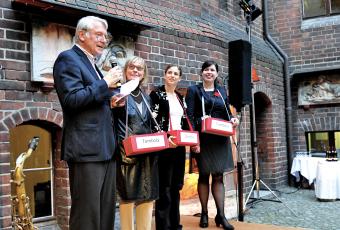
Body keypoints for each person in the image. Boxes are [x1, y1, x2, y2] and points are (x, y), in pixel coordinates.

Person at [53, 16, 123, 230]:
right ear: (82, 35)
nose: (104, 40)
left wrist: (110, 102)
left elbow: (90, 100)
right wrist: (105, 83)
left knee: (105, 215)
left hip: (105, 148)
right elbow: (72, 100)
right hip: (86, 150)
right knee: (87, 218)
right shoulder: (68, 59)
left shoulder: (92, 63)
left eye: (105, 36)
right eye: (98, 35)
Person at [185, 60, 239, 230]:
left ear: (216, 74)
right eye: (206, 69)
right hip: (203, 139)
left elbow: (226, 113)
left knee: (218, 176)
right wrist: (195, 140)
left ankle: (221, 215)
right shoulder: (194, 90)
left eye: (212, 70)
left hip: (220, 139)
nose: (209, 72)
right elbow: (190, 116)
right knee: (203, 175)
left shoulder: (221, 91)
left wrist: (233, 119)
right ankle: (204, 213)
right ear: (202, 72)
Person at [113, 56, 159, 230]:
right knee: (128, 197)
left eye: (140, 69)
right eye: (132, 67)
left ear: (144, 74)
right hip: (127, 153)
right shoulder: (119, 93)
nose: (135, 71)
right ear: (125, 71)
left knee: (147, 196)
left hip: (147, 153)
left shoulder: (147, 97)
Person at [150, 65, 188, 230]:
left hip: (178, 146)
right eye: (170, 73)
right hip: (164, 145)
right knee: (164, 188)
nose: (172, 76)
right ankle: (163, 226)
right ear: (164, 75)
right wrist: (166, 137)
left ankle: (175, 224)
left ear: (179, 78)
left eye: (176, 74)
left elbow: (184, 121)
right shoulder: (156, 94)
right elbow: (153, 120)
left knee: (176, 187)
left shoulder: (180, 97)